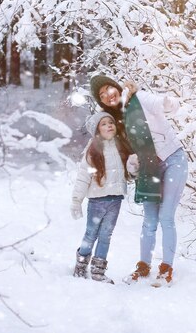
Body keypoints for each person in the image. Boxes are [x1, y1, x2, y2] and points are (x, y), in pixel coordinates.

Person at [90, 75, 188, 287]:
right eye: (102, 95)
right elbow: (127, 161)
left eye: (109, 88)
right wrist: (132, 166)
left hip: (173, 159)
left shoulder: (139, 99)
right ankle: (143, 267)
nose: (108, 95)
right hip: (149, 169)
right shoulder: (116, 124)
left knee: (166, 217)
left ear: (116, 87)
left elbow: (166, 105)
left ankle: (166, 268)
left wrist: (167, 102)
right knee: (149, 221)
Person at [71, 111, 135, 283]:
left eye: (111, 122)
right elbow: (83, 177)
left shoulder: (121, 146)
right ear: (97, 130)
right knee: (91, 234)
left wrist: (134, 167)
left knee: (106, 235)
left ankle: (98, 271)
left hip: (115, 200)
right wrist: (76, 201)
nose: (109, 126)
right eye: (104, 124)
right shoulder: (93, 150)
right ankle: (81, 264)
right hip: (97, 200)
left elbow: (129, 172)